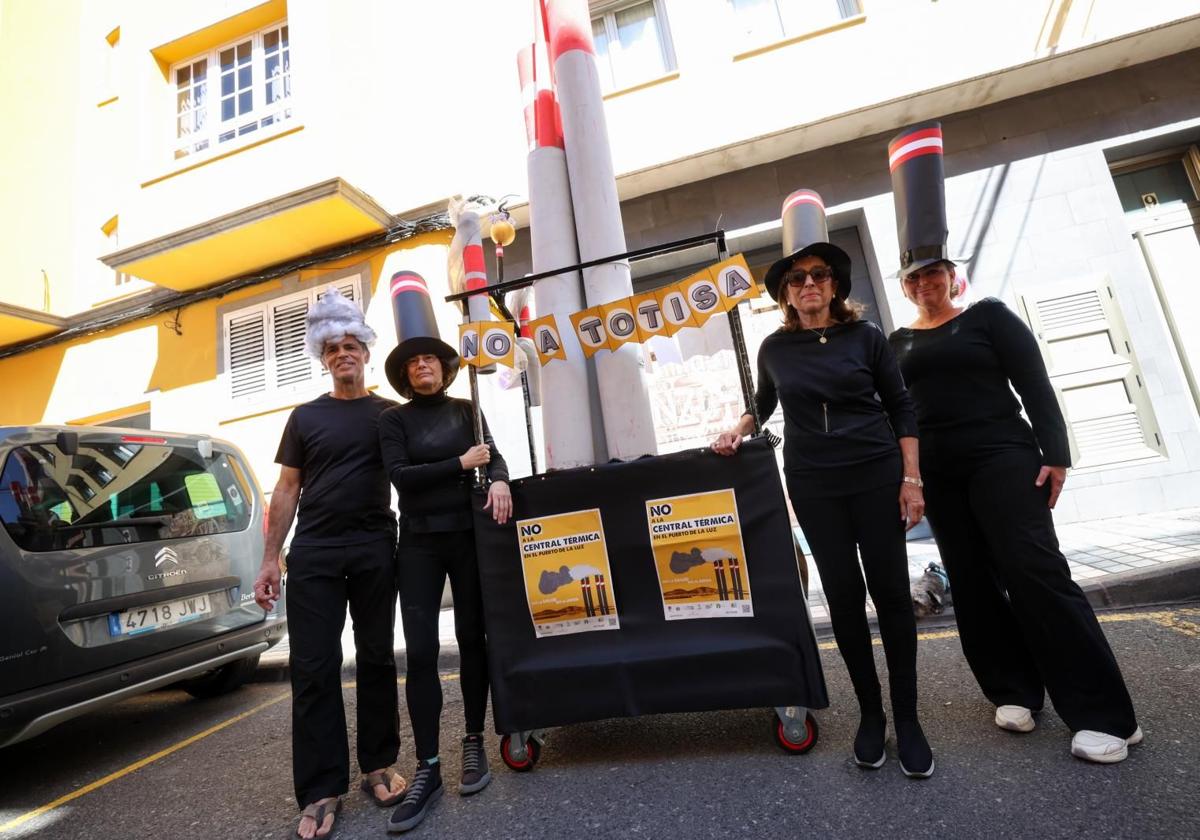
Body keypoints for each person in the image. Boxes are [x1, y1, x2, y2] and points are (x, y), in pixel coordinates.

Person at [884, 120, 1139, 764]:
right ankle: (1014, 689)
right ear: (905, 285)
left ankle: (1108, 715)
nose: (926, 283)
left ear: (952, 275)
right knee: (969, 581)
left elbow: (1035, 384)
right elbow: (893, 415)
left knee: (1034, 572)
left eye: (935, 272)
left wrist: (1056, 454)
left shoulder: (989, 316)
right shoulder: (896, 344)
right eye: (915, 277)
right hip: (940, 472)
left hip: (1004, 455)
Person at [713, 190, 933, 778]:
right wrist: (735, 431)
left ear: (835, 286)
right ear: (786, 292)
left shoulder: (868, 339)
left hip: (876, 476)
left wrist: (912, 480)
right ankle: (872, 718)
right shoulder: (775, 348)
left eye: (819, 275)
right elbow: (760, 406)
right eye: (796, 278)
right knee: (842, 598)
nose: (808, 284)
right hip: (814, 484)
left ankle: (908, 719)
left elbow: (902, 409)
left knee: (890, 595)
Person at [253, 289, 406, 840]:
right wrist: (271, 559)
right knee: (313, 669)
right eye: (333, 348)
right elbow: (286, 487)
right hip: (314, 554)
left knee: (376, 660)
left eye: (352, 345)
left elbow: (420, 470)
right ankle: (321, 788)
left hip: (372, 550)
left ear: (366, 352)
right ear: (323, 356)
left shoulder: (391, 414)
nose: (343, 354)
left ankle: (378, 765)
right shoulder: (304, 417)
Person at [377, 271, 512, 833]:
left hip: (467, 536)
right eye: (413, 363)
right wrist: (461, 465)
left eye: (431, 359)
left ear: (444, 366)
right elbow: (402, 479)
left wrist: (500, 480)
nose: (423, 366)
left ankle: (475, 740)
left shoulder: (466, 410)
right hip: (420, 545)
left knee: (475, 638)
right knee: (424, 652)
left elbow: (495, 458)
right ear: (406, 375)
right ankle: (429, 763)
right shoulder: (393, 421)